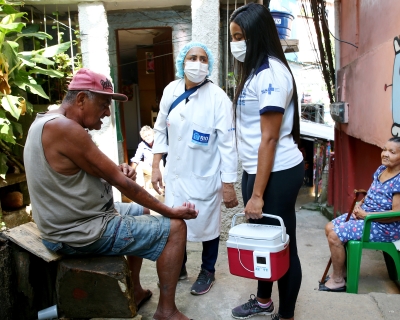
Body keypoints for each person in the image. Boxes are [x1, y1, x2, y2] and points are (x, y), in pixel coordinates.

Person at [23, 68, 198, 320]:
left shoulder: (49, 121)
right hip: (79, 231)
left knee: (142, 211)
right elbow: (123, 186)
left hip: (73, 220)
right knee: (176, 227)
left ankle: (135, 290)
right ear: (81, 99)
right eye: (104, 104)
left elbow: (86, 169)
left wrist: (118, 170)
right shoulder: (65, 129)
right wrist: (169, 210)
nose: (107, 113)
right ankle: (166, 311)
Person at [229, 4, 304, 320]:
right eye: (232, 37)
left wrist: (258, 195)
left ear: (257, 35)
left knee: (282, 243)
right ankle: (263, 301)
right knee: (262, 240)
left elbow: (269, 138)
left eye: (240, 36)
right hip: (256, 170)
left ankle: (285, 314)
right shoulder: (255, 73)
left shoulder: (272, 74)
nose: (236, 43)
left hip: (278, 172)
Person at [151, 42, 239, 295]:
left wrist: (228, 184)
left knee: (208, 227)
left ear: (208, 64)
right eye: (192, 57)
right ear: (183, 61)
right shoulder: (172, 90)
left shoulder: (218, 98)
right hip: (176, 175)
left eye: (203, 59)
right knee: (174, 222)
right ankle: (179, 266)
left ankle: (208, 270)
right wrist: (156, 165)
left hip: (204, 176)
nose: (197, 63)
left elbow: (227, 145)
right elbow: (160, 129)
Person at [321, 137, 400, 292]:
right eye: (384, 149)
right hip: (366, 217)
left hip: (384, 226)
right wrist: (360, 205)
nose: (385, 154)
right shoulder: (381, 170)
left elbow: (397, 214)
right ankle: (342, 271)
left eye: (392, 152)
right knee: (329, 227)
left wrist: (367, 215)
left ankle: (337, 280)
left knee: (334, 235)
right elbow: (371, 193)